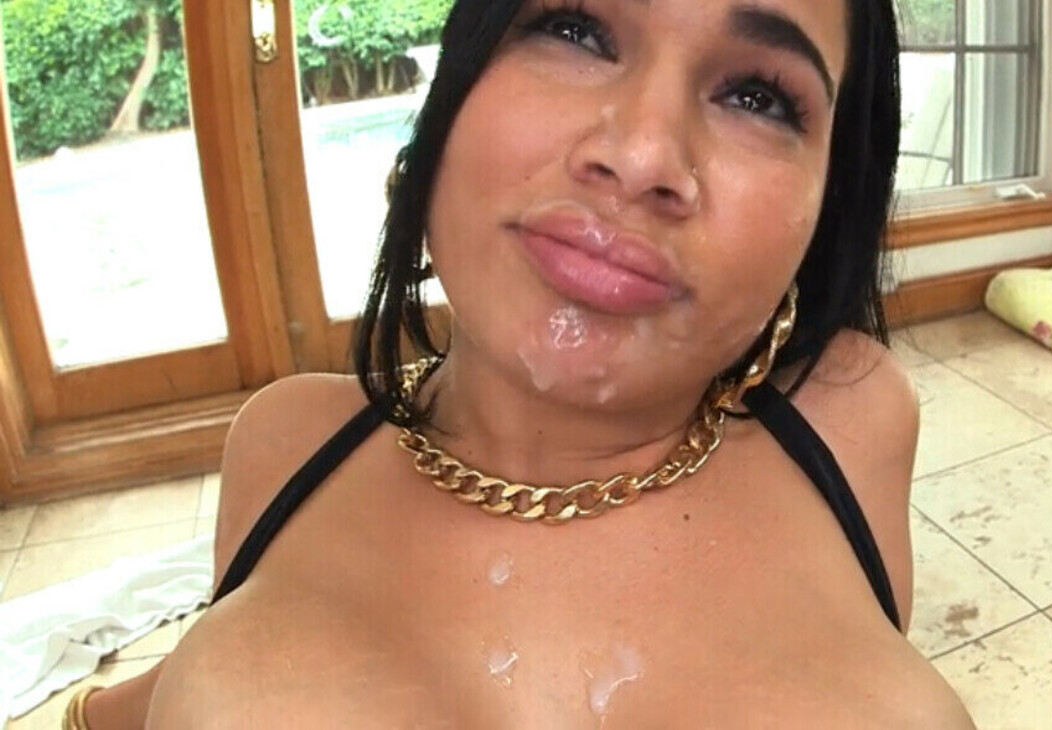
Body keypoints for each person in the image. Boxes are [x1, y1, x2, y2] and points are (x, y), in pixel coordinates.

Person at [68, 0, 977, 726]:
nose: (641, 157)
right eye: (575, 30)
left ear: (827, 204)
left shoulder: (852, 422)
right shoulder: (283, 446)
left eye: (758, 97)